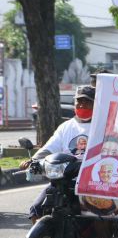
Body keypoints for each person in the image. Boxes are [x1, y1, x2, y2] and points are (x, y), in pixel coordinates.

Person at [20, 85, 95, 224]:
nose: (82, 104)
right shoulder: (66, 126)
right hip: (63, 179)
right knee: (36, 210)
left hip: (90, 181)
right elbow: (50, 147)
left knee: (98, 215)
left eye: (87, 101)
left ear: (95, 104)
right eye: (79, 101)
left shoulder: (101, 126)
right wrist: (33, 160)